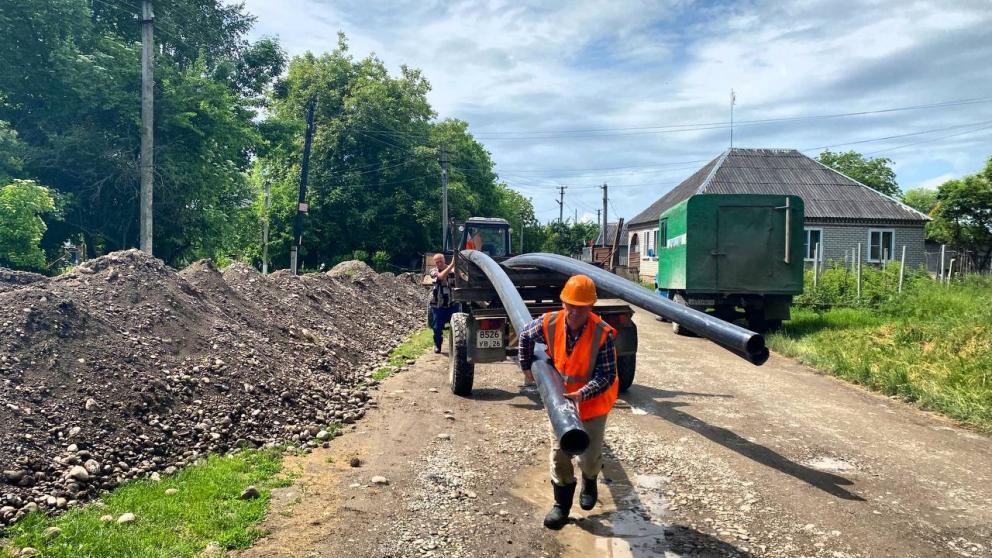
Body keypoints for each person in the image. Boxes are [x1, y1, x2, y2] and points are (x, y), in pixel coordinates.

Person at [517, 274, 618, 530]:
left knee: (590, 455)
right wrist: (526, 367)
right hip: (561, 402)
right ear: (563, 303)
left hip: (591, 403)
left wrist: (583, 393)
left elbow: (607, 375)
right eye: (570, 304)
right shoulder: (550, 321)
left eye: (580, 306)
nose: (574, 311)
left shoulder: (602, 333)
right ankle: (561, 505)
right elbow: (525, 336)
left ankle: (590, 479)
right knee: (559, 454)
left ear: (590, 307)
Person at [429, 253, 457, 354]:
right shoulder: (433, 271)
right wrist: (452, 264)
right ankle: (437, 344)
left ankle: (456, 348)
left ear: (444, 260)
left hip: (452, 304)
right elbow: (440, 277)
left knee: (457, 327)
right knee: (437, 328)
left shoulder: (453, 271)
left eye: (440, 261)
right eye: (437, 262)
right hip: (438, 306)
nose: (439, 263)